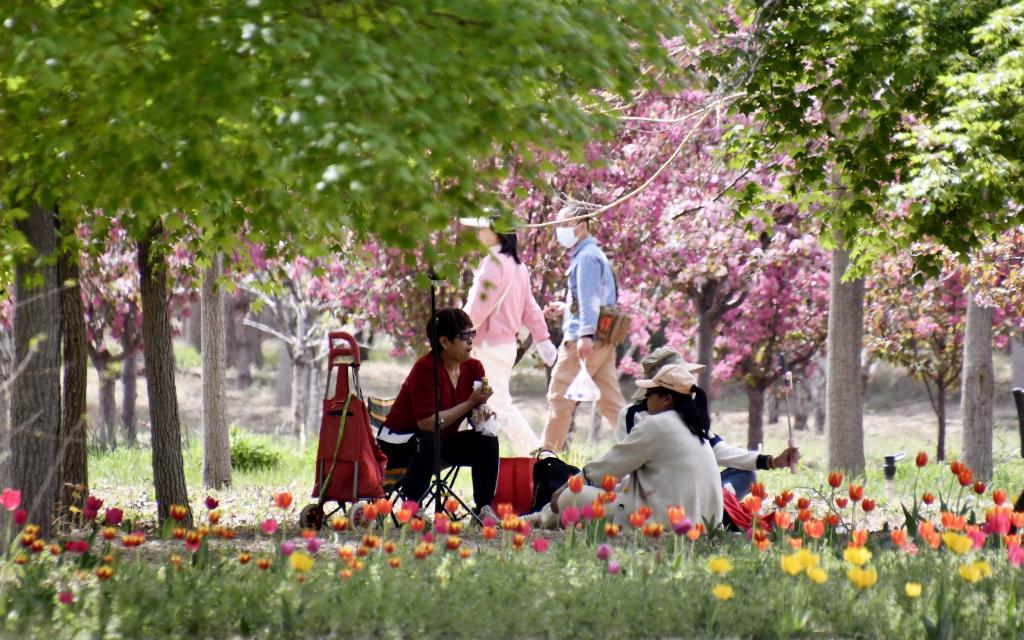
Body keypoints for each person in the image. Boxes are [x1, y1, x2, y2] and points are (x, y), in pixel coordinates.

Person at [550, 364, 723, 528]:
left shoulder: (656, 425)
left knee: (569, 497)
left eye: (649, 394)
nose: (646, 400)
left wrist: (567, 487)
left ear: (666, 399)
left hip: (662, 522)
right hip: (703, 526)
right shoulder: (693, 426)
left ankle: (540, 520)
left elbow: (609, 467)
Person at [615, 347, 800, 500]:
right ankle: (717, 510)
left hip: (693, 494)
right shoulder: (633, 416)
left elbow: (717, 449)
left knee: (745, 475)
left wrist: (771, 461)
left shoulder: (686, 412)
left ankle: (716, 508)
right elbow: (624, 463)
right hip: (656, 493)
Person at [382, 307, 500, 522]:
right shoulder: (425, 370)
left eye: (472, 334)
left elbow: (472, 409)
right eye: (464, 337)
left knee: (487, 439)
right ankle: (412, 507)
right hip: (401, 447)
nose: (471, 341)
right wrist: (470, 402)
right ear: (444, 342)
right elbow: (427, 422)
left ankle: (483, 508)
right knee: (428, 435)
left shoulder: (474, 368)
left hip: (440, 443)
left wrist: (482, 410)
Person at [460, 216, 558, 455]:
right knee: (471, 401)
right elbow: (530, 307)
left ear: (496, 232)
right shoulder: (518, 266)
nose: (477, 233)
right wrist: (542, 338)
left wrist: (456, 329)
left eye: (481, 228)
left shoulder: (493, 262)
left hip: (487, 347)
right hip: (504, 346)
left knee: (498, 404)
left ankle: (537, 455)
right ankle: (468, 451)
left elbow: (478, 306)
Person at [540, 203, 626, 451]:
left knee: (559, 398)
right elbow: (593, 300)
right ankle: (645, 451)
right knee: (612, 404)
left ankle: (546, 457)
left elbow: (590, 301)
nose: (559, 231)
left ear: (581, 227)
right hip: (604, 339)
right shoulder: (594, 254)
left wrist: (585, 334)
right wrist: (566, 308)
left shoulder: (586, 257)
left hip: (585, 339)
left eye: (564, 225)